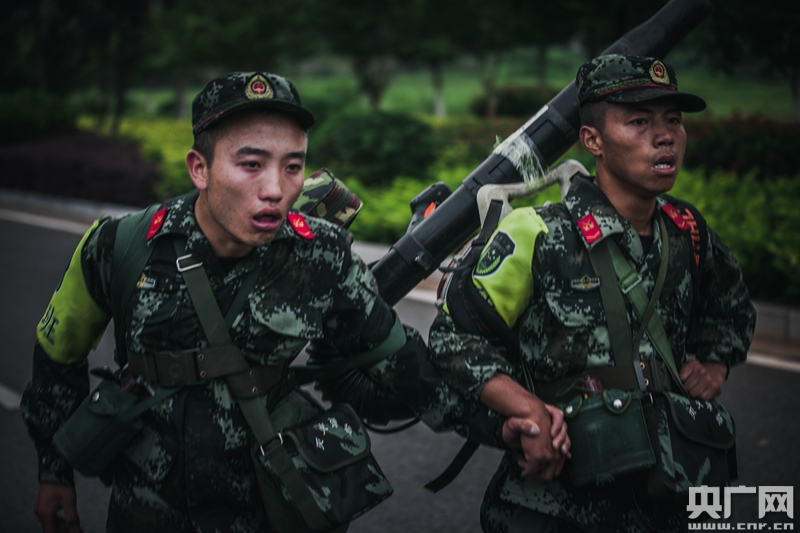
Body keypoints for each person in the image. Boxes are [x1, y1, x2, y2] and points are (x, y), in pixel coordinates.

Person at [20, 71, 452, 533]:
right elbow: (57, 357)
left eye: (292, 166)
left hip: (268, 505)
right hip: (146, 510)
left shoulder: (321, 253)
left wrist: (512, 419)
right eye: (251, 164)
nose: (275, 189)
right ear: (199, 168)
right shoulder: (119, 246)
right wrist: (54, 472)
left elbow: (398, 358)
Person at [427, 54, 757, 532]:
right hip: (558, 498)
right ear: (593, 140)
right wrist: (528, 410)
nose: (664, 137)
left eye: (673, 121)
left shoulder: (687, 232)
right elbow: (453, 341)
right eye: (640, 121)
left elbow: (731, 308)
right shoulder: (538, 233)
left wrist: (715, 362)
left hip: (667, 489)